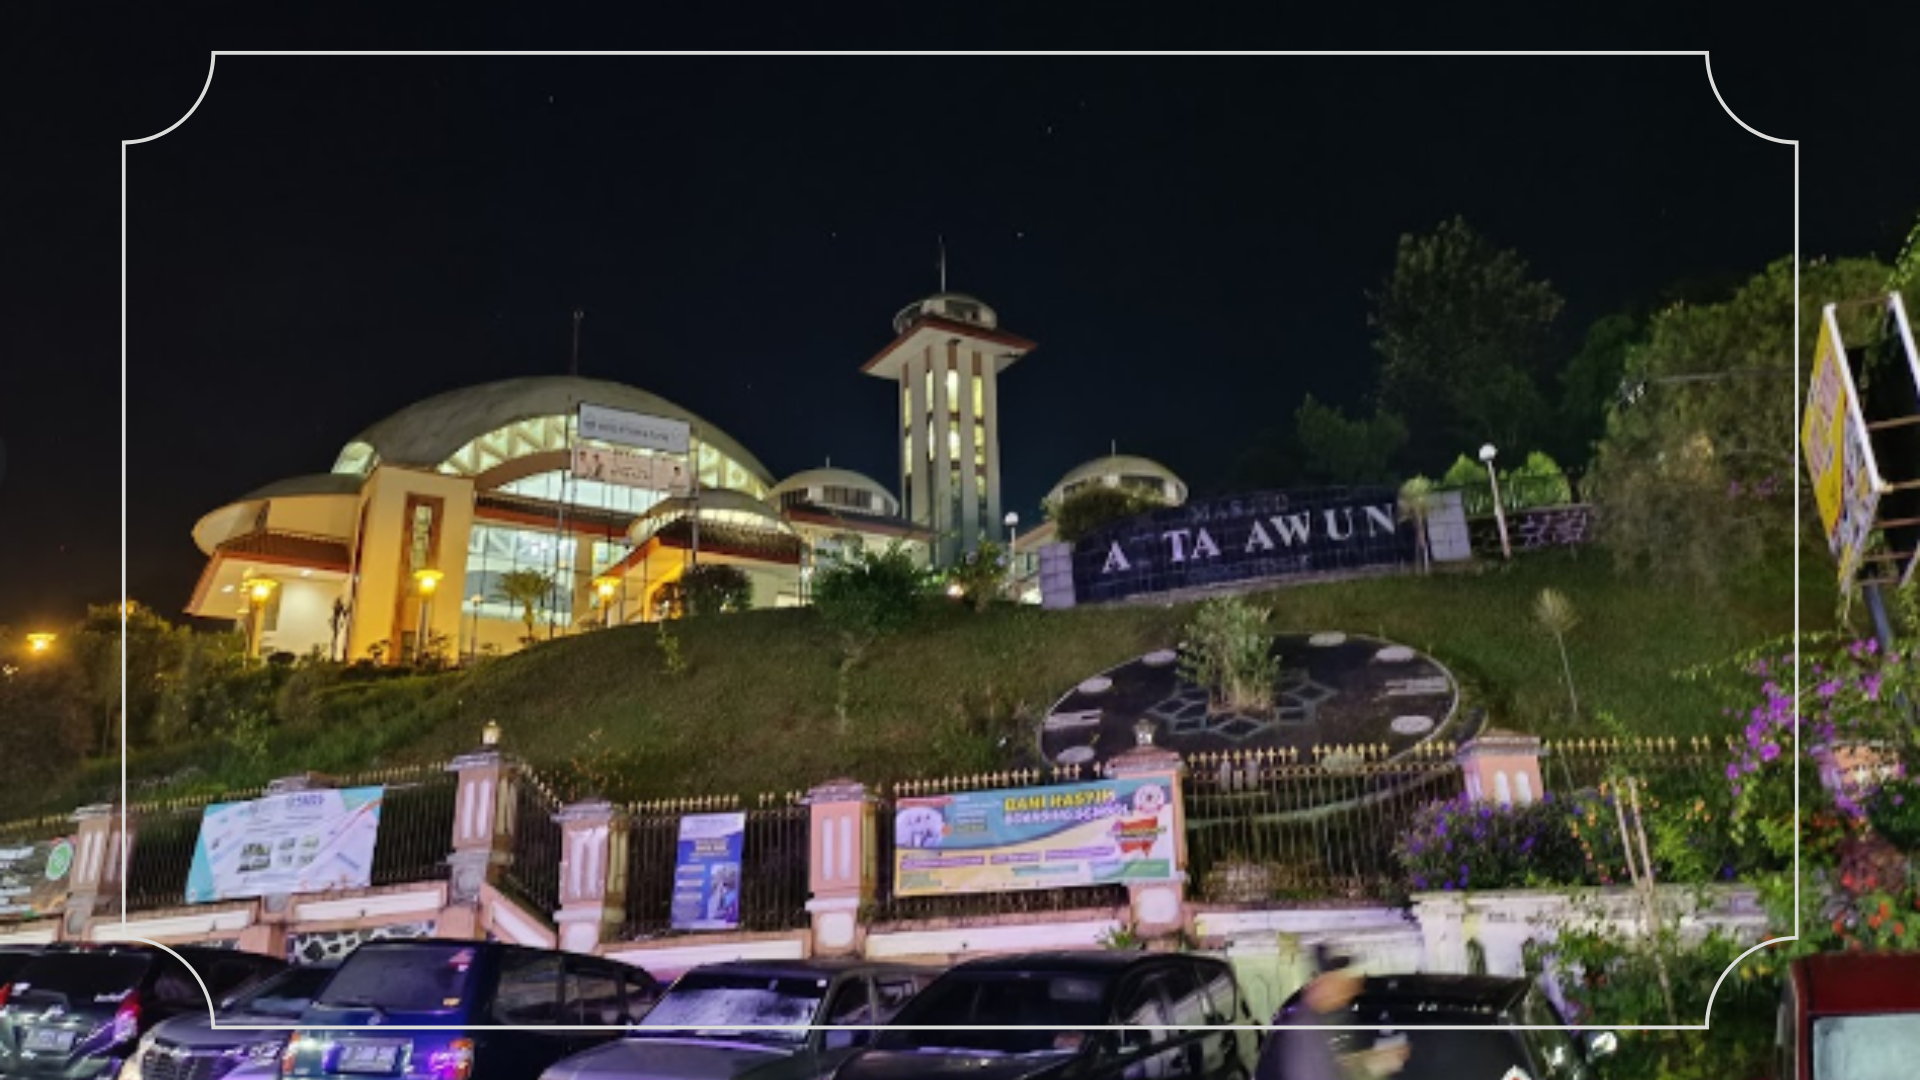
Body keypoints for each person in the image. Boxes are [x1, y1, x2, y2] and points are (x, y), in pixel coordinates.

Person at [1256, 946, 1410, 1080]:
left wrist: (1369, 1062)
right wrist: (1370, 1067)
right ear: (1321, 985)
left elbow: (1333, 1067)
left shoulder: (1322, 1020)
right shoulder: (1302, 1031)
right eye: (1342, 983)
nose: (1350, 990)